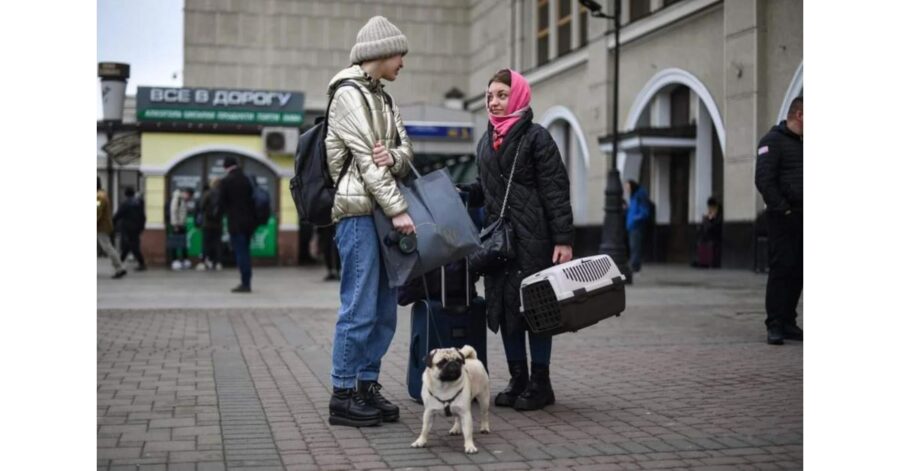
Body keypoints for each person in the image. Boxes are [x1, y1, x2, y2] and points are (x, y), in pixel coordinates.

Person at [458, 68, 574, 411]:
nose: (493, 102)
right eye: (490, 95)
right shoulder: (486, 140)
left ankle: (541, 383)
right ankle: (518, 378)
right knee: (505, 309)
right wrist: (464, 192)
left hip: (534, 239)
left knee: (536, 309)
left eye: (501, 95)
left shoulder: (537, 137)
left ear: (519, 96)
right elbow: (488, 189)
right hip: (499, 243)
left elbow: (556, 190)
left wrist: (563, 239)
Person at [325, 15, 415, 427]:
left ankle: (366, 385)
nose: (403, 62)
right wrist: (398, 210)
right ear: (379, 53)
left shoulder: (385, 98)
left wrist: (394, 156)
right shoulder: (348, 94)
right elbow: (367, 159)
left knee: (383, 309)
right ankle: (343, 393)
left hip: (379, 211)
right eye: (400, 53)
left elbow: (404, 152)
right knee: (359, 306)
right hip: (359, 214)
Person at [755, 96, 803, 345]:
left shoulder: (803, 145)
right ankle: (774, 323)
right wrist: (783, 208)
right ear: (799, 114)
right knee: (781, 268)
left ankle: (788, 321)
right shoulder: (771, 142)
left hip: (804, 217)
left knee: (799, 270)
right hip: (782, 218)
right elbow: (764, 180)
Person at [218, 157, 257, 293]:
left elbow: (221, 204)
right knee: (245, 251)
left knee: (241, 253)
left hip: (235, 223)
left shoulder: (226, 181)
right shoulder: (247, 180)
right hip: (249, 223)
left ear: (225, 167)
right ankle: (247, 281)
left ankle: (245, 284)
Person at [97, 178, 127, 279]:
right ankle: (120, 267)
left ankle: (120, 268)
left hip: (101, 227)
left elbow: (97, 212)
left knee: (107, 247)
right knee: (107, 247)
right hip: (101, 226)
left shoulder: (99, 197)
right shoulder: (101, 195)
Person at [113, 186, 147, 271]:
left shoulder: (125, 203)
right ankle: (120, 262)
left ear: (126, 194)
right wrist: (142, 226)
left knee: (132, 246)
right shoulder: (139, 202)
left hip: (127, 228)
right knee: (129, 245)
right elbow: (143, 216)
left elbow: (118, 215)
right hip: (137, 227)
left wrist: (112, 223)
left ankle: (141, 263)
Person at [625, 180, 651, 274]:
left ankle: (634, 266)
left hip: (636, 226)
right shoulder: (634, 197)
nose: (626, 189)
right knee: (633, 247)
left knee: (635, 247)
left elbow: (644, 212)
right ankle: (634, 265)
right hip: (632, 226)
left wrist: (635, 219)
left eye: (627, 187)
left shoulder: (639, 196)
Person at [198, 179, 224, 271]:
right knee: (217, 244)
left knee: (206, 243)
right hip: (218, 223)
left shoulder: (207, 193)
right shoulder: (222, 195)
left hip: (207, 223)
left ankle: (204, 262)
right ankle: (217, 263)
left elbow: (201, 206)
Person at [692, 196, 722, 268]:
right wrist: (707, 218)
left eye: (712, 207)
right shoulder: (708, 215)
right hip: (707, 236)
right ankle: (702, 260)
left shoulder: (718, 216)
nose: (710, 209)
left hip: (714, 236)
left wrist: (711, 219)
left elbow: (714, 227)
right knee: (700, 241)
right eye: (709, 207)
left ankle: (707, 261)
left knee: (708, 243)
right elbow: (704, 228)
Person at [168, 187, 192, 270]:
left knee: (183, 243)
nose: (189, 198)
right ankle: (175, 261)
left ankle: (183, 260)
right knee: (175, 243)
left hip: (182, 225)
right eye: (188, 195)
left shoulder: (182, 200)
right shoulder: (177, 198)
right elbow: (173, 211)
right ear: (185, 193)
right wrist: (175, 225)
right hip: (177, 225)